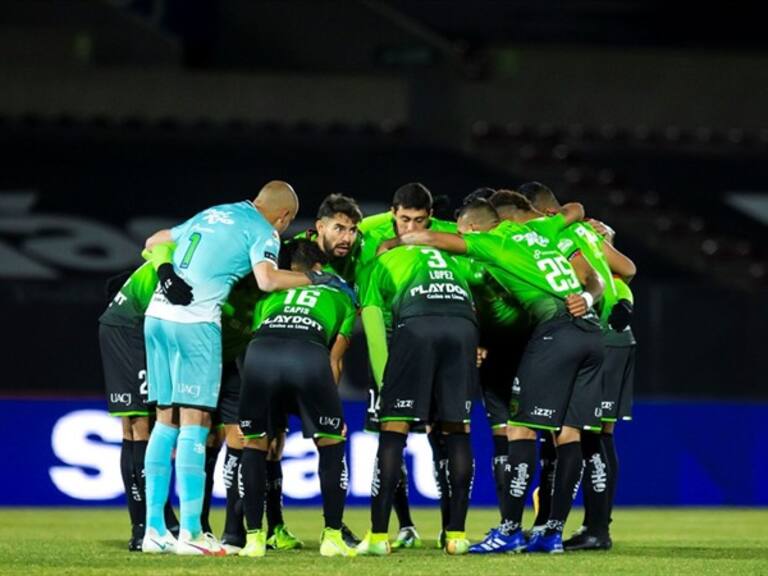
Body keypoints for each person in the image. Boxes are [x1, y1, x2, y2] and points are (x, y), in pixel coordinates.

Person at [141, 180, 351, 556]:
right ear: (284, 217)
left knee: (163, 420)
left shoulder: (216, 211)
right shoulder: (264, 231)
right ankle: (191, 532)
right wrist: (315, 278)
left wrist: (166, 273)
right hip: (196, 321)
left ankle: (154, 529)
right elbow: (267, 280)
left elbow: (155, 240)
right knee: (195, 421)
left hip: (157, 315)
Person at [397, 191, 605, 554]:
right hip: (591, 333)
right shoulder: (542, 230)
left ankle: (509, 530)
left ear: (474, 227)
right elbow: (576, 208)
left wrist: (393, 240)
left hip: (555, 330)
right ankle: (552, 533)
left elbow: (426, 237)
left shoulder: (492, 241)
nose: (465, 238)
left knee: (519, 429)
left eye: (465, 232)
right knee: (568, 434)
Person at [356, 195, 479, 556]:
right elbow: (478, 290)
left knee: (393, 431)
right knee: (458, 429)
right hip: (463, 326)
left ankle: (379, 537)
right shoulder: (450, 253)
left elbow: (375, 327)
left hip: (417, 323)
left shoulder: (381, 257)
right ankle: (455, 535)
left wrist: (386, 384)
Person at [520, 181, 637, 550]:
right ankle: (577, 524)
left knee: (588, 435)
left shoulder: (555, 238)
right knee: (586, 433)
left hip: (596, 334)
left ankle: (596, 530)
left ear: (546, 214)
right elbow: (628, 268)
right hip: (617, 336)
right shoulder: (586, 230)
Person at [238, 239, 358, 558]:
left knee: (255, 443)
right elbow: (334, 361)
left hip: (260, 354)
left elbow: (258, 333)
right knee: (331, 443)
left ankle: (254, 539)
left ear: (291, 270)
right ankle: (332, 536)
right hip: (308, 354)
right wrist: (332, 413)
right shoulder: (343, 296)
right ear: (319, 267)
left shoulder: (272, 295)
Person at [97, 244, 187, 551]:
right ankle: (145, 525)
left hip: (126, 325)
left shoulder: (179, 250)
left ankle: (156, 519)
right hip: (129, 329)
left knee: (137, 427)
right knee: (139, 425)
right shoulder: (185, 258)